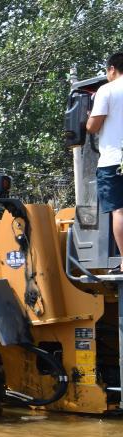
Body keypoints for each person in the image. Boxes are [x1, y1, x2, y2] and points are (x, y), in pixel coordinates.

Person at [87, 52, 123, 272]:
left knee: (119, 210)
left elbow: (93, 126)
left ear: (111, 69)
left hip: (115, 159)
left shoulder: (107, 90)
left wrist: (89, 116)